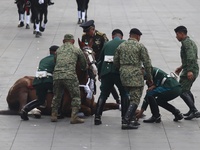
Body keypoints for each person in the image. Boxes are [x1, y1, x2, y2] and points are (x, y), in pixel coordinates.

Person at [114, 28, 153, 130]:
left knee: (127, 96)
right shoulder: (140, 46)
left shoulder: (121, 46)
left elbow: (115, 61)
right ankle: (126, 121)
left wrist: (122, 69)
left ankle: (131, 119)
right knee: (135, 99)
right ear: (138, 36)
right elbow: (147, 63)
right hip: (135, 75)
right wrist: (149, 77)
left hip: (123, 75)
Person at [80, 20, 121, 104]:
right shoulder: (84, 37)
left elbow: (107, 48)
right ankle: (88, 98)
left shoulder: (101, 36)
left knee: (106, 81)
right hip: (90, 63)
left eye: (88, 31)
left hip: (100, 61)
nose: (87, 33)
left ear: (93, 29)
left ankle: (117, 99)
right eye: (86, 31)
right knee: (89, 81)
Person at [51, 34, 87, 124]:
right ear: (73, 41)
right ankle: (74, 117)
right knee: (76, 96)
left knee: (57, 96)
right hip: (70, 76)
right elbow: (83, 65)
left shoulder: (58, 50)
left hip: (57, 76)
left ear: (63, 41)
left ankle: (54, 115)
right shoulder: (77, 50)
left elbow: (55, 62)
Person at [94, 29, 128, 125]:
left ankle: (97, 117)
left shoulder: (107, 44)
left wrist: (100, 73)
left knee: (103, 94)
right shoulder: (124, 43)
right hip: (119, 73)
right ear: (121, 36)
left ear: (112, 36)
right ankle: (124, 118)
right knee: (124, 94)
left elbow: (100, 60)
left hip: (106, 72)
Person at [20, 45, 59, 120]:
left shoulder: (43, 59)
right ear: (56, 52)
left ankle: (25, 109)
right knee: (59, 93)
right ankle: (58, 112)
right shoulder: (56, 59)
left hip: (37, 81)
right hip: (48, 80)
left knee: (40, 100)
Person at [174, 25, 200, 120]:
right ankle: (191, 110)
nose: (176, 37)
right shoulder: (189, 42)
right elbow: (189, 58)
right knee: (187, 89)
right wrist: (181, 67)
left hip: (191, 70)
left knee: (182, 90)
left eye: (177, 34)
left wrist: (189, 71)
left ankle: (194, 111)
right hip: (190, 68)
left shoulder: (186, 43)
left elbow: (191, 57)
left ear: (181, 34)